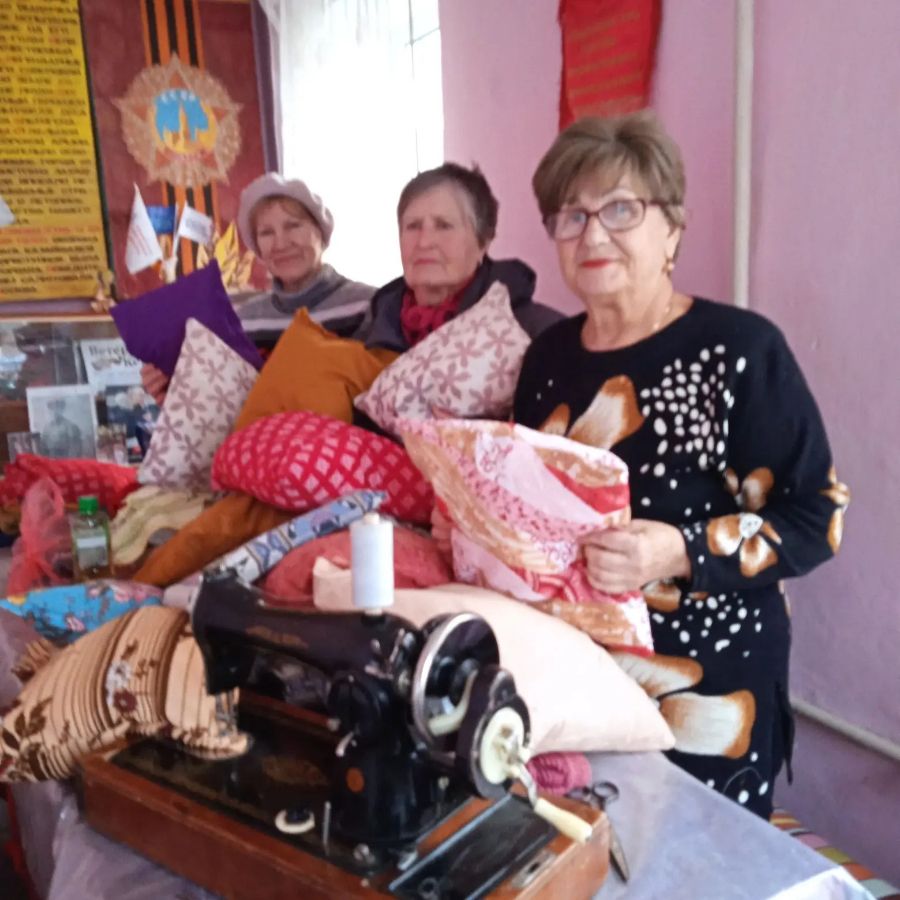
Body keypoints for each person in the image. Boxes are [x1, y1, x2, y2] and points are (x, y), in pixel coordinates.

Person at [512, 111, 849, 819]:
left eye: (620, 209)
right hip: (575, 678)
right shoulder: (546, 359)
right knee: (583, 850)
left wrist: (681, 550)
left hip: (706, 689)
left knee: (694, 856)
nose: (592, 235)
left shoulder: (739, 350)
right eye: (570, 216)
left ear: (672, 228)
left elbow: (816, 519)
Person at [142, 173, 375, 403]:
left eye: (293, 225)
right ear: (258, 249)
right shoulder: (241, 323)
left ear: (321, 235)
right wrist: (172, 391)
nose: (281, 243)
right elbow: (227, 406)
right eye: (266, 233)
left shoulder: (368, 305)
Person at [357, 163, 562, 352]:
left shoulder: (539, 335)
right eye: (413, 226)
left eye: (444, 226)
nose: (424, 242)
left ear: (483, 242)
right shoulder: (368, 333)